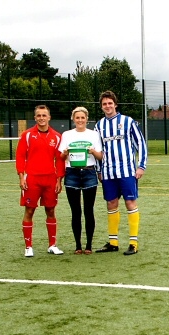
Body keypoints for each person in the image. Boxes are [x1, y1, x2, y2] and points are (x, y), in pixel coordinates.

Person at [94, 90, 148, 255]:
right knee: (111, 204)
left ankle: (133, 243)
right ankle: (113, 242)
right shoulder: (99, 126)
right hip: (108, 172)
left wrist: (141, 166)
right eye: (104, 104)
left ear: (115, 104)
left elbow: (141, 144)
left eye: (110, 103)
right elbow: (97, 150)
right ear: (101, 107)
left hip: (127, 171)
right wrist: (99, 170)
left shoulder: (128, 121)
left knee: (130, 203)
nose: (107, 106)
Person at [16, 105, 66, 257]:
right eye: (39, 115)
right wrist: (21, 177)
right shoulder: (27, 135)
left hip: (50, 179)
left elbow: (60, 160)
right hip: (32, 179)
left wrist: (59, 180)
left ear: (49, 117)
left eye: (44, 115)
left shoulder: (57, 136)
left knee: (50, 210)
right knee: (29, 210)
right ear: (35, 118)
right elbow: (20, 156)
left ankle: (52, 245)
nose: (42, 118)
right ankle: (28, 247)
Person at [58, 107, 103, 254]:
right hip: (72, 174)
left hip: (89, 172)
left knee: (89, 211)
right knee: (75, 211)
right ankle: (78, 245)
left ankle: (89, 245)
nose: (80, 120)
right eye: (77, 118)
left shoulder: (94, 134)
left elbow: (100, 156)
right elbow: (61, 157)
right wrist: (64, 154)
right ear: (73, 119)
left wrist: (93, 152)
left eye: (82, 117)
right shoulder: (67, 134)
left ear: (87, 119)